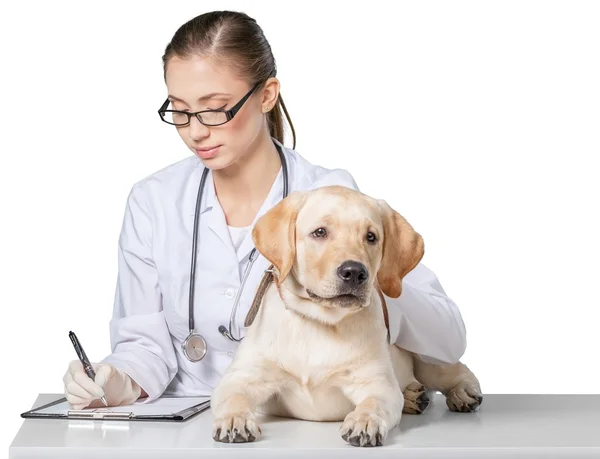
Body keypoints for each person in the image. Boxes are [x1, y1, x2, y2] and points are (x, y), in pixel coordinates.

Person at [62, 10, 467, 410]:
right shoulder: (153, 201)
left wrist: (374, 279)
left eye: (215, 108)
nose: (196, 130)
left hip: (293, 425)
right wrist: (114, 379)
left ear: (266, 95)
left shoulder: (328, 196)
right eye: (180, 110)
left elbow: (447, 338)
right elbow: (143, 347)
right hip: (185, 426)